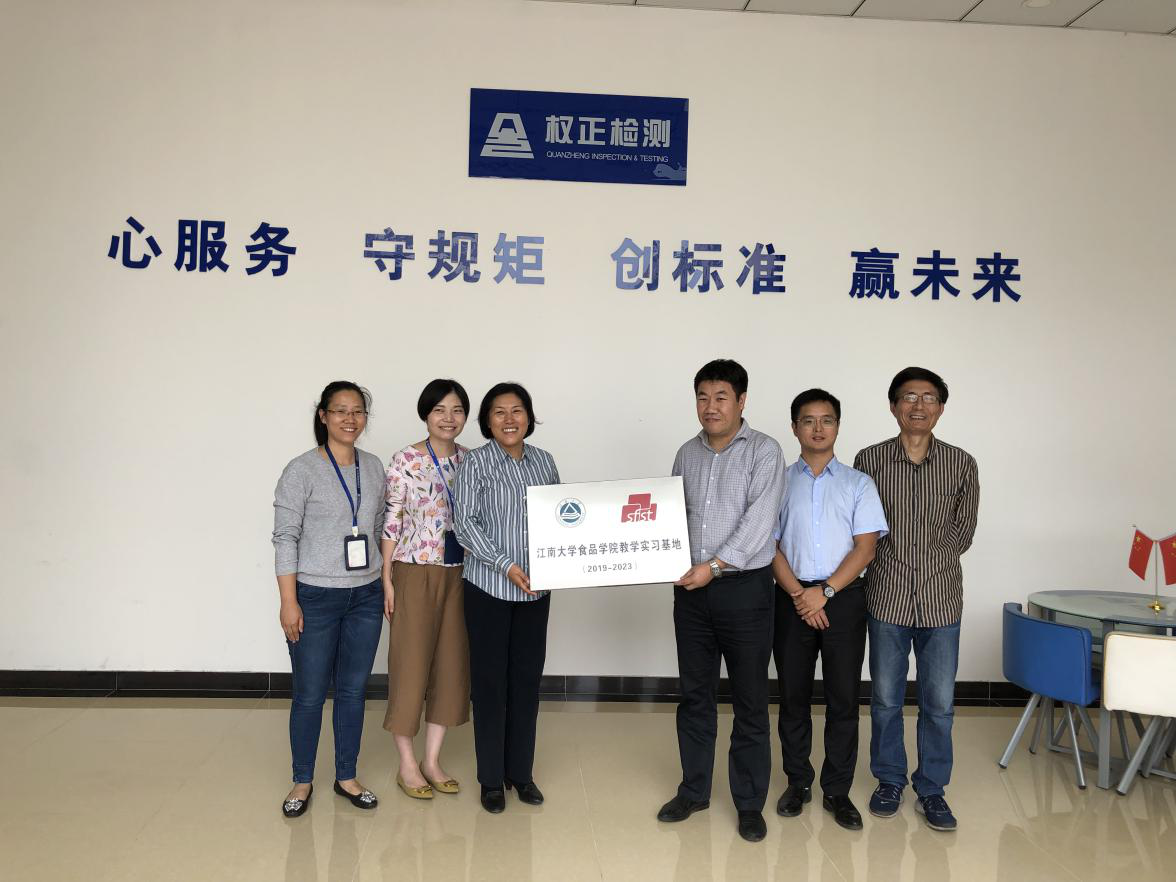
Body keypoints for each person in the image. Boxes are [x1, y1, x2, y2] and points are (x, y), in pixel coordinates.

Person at [657, 359, 785, 843]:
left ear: (741, 401)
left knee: (750, 700)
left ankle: (749, 803)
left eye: (721, 397)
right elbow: (669, 518)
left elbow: (759, 523)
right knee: (695, 695)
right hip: (691, 594)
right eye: (703, 397)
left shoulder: (765, 451)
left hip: (744, 591)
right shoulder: (685, 453)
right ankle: (693, 790)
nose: (710, 407)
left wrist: (711, 567)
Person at [853, 367, 979, 832]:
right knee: (886, 699)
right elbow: (860, 526)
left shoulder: (961, 463)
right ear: (893, 406)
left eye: (928, 397)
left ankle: (931, 789)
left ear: (941, 407)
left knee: (939, 703)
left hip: (941, 600)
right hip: (886, 596)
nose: (919, 406)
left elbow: (964, 531)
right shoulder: (869, 460)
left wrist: (930, 562)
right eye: (909, 397)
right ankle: (889, 781)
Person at [771, 389, 887, 831]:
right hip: (792, 600)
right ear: (794, 427)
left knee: (843, 699)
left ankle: (837, 790)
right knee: (793, 698)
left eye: (827, 420)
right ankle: (797, 782)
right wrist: (801, 595)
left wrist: (826, 592)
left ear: (838, 426)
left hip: (844, 601)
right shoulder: (778, 482)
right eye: (808, 420)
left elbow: (866, 548)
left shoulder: (859, 483)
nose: (818, 428)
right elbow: (769, 545)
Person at [272, 381, 386, 817]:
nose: (349, 419)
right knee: (309, 694)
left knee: (354, 691)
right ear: (323, 416)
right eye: (340, 410)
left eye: (357, 411)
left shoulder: (373, 467)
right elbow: (285, 537)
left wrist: (385, 583)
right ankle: (302, 780)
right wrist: (289, 601)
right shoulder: (300, 470)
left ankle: (346, 776)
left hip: (366, 595)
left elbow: (379, 527)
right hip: (315, 597)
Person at [453, 382, 560, 814]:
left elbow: (563, 517)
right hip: (489, 589)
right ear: (487, 421)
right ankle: (491, 779)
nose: (509, 419)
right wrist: (506, 565)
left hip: (536, 591)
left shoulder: (545, 461)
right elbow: (465, 524)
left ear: (529, 417)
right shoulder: (476, 463)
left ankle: (521, 773)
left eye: (517, 410)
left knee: (527, 683)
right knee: (490, 684)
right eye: (499, 412)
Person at [381, 379, 472, 800]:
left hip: (461, 573)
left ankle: (432, 760)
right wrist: (387, 577)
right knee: (410, 665)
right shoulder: (406, 459)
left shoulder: (472, 460)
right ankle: (407, 763)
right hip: (413, 570)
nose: (448, 418)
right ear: (425, 414)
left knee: (451, 666)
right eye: (439, 410)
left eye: (457, 410)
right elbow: (392, 519)